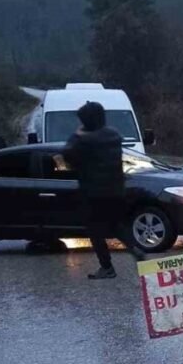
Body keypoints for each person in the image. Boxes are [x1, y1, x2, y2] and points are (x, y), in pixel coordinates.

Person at [62, 101, 144, 279]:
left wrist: (77, 133)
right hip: (116, 190)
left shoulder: (82, 140)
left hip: (93, 193)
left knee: (95, 231)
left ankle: (107, 267)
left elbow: (67, 156)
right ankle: (135, 248)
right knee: (116, 225)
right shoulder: (114, 135)